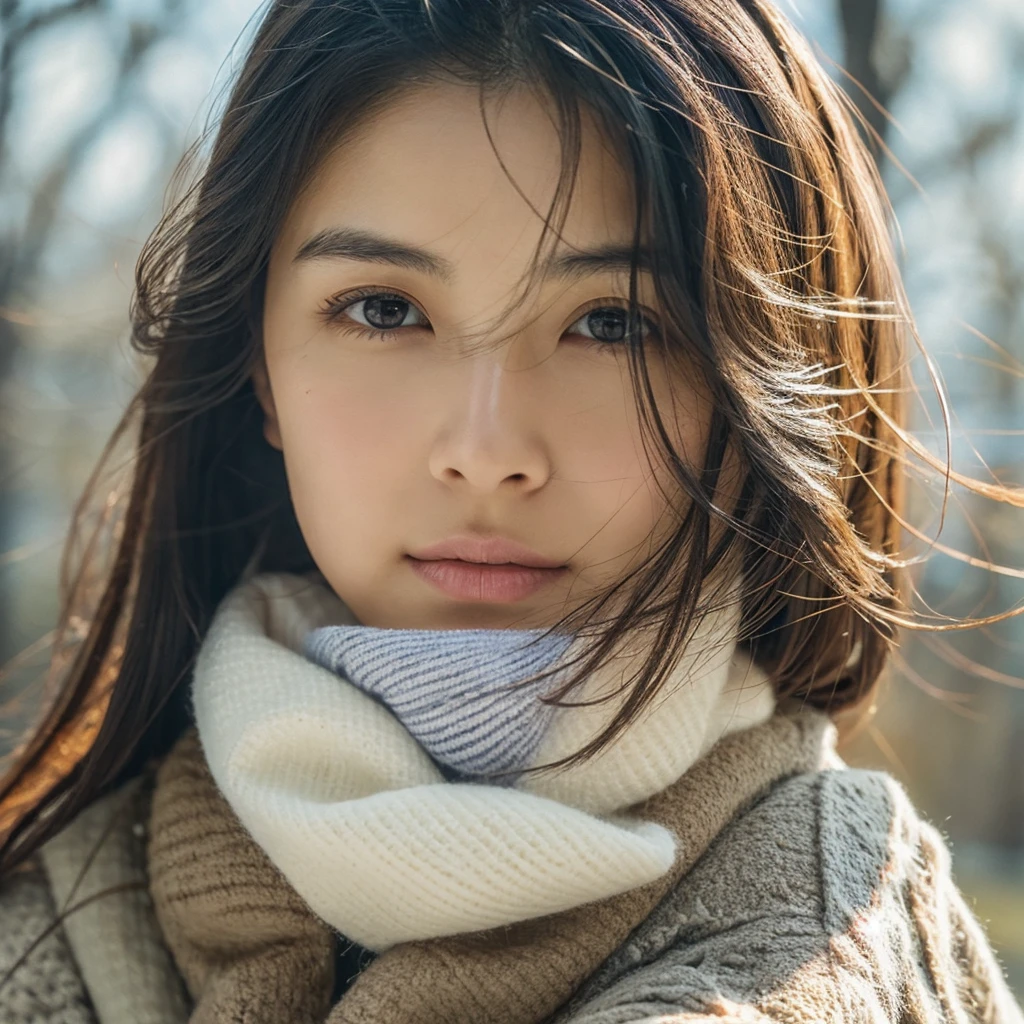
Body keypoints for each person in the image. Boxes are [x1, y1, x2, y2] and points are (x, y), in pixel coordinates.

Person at [1, 0, 1022, 1021]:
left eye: (613, 323)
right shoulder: (53, 903)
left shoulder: (833, 938)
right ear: (258, 371)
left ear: (760, 390)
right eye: (383, 309)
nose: (486, 453)